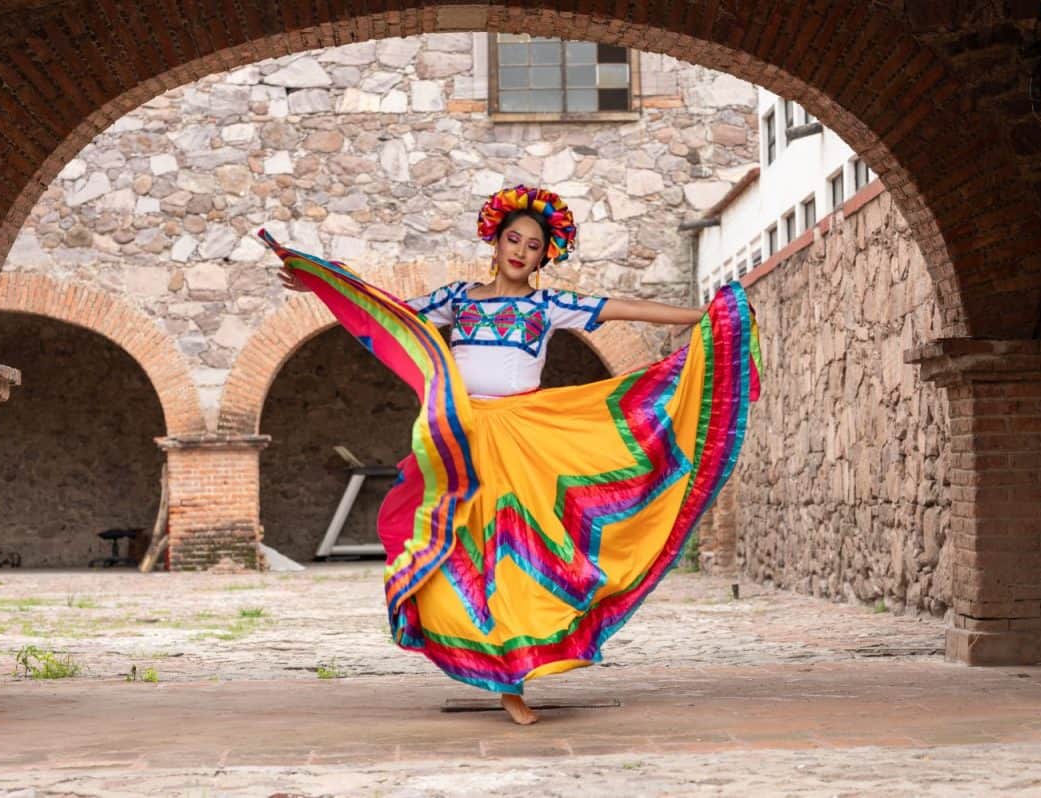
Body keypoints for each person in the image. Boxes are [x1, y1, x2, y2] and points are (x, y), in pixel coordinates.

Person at [262, 185, 761, 725]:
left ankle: (514, 679)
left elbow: (623, 310)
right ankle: (486, 661)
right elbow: (388, 316)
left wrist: (704, 317)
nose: (521, 250)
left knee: (517, 557)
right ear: (495, 243)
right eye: (513, 239)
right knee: (461, 553)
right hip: (461, 437)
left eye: (533, 245)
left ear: (545, 256)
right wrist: (323, 287)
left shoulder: (548, 304)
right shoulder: (458, 298)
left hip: (525, 439)